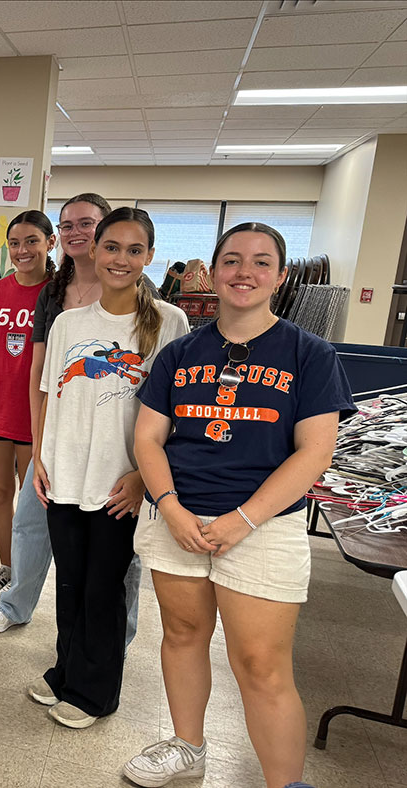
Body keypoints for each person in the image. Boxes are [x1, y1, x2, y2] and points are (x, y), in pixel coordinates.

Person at [123, 223, 354, 788]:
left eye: (259, 262)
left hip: (263, 527)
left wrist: (243, 519)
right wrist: (171, 508)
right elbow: (149, 440)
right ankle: (187, 746)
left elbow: (315, 452)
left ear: (278, 275)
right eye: (231, 260)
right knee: (181, 636)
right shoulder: (181, 353)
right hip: (177, 520)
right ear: (213, 271)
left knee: (261, 666)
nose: (243, 272)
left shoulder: (310, 354)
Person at [29, 207, 189, 729]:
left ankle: (96, 694)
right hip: (63, 473)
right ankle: (66, 671)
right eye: (112, 247)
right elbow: (50, 396)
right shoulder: (69, 322)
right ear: (93, 252)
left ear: (148, 257)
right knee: (70, 583)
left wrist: (144, 477)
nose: (121, 259)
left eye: (134, 249)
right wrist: (38, 456)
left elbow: (174, 417)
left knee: (104, 588)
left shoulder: (170, 323)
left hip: (120, 482)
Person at [0, 194, 143, 641]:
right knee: (31, 523)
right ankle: (16, 603)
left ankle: (116, 637)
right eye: (67, 225)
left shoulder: (145, 300)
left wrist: (143, 466)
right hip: (54, 436)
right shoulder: (53, 292)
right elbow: (39, 373)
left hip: (118, 444)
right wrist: (39, 442)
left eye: (86, 224)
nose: (75, 233)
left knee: (118, 548)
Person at [0, 210, 55, 599]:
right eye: (15, 243)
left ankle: (27, 575)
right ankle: (8, 567)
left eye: (32, 241)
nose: (22, 251)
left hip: (36, 413)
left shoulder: (60, 295)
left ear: (50, 243)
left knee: (32, 500)